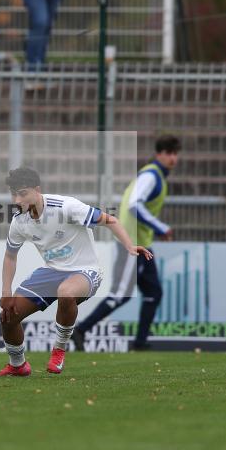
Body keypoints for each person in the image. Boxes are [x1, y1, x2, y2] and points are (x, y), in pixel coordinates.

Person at [0, 167, 152, 377]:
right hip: (52, 271)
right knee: (8, 316)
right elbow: (10, 256)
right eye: (14, 194)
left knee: (66, 292)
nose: (16, 200)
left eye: (22, 193)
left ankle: (59, 349)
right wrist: (6, 291)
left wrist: (130, 246)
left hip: (85, 271)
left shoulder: (66, 207)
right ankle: (18, 364)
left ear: (37, 190)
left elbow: (111, 220)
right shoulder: (19, 221)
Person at [73, 135, 181, 352]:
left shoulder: (155, 175)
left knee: (154, 293)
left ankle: (140, 342)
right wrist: (161, 228)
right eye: (168, 153)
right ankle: (81, 330)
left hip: (143, 245)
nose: (173, 158)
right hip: (133, 245)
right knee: (120, 294)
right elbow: (134, 205)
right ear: (159, 154)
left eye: (175, 153)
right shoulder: (152, 175)